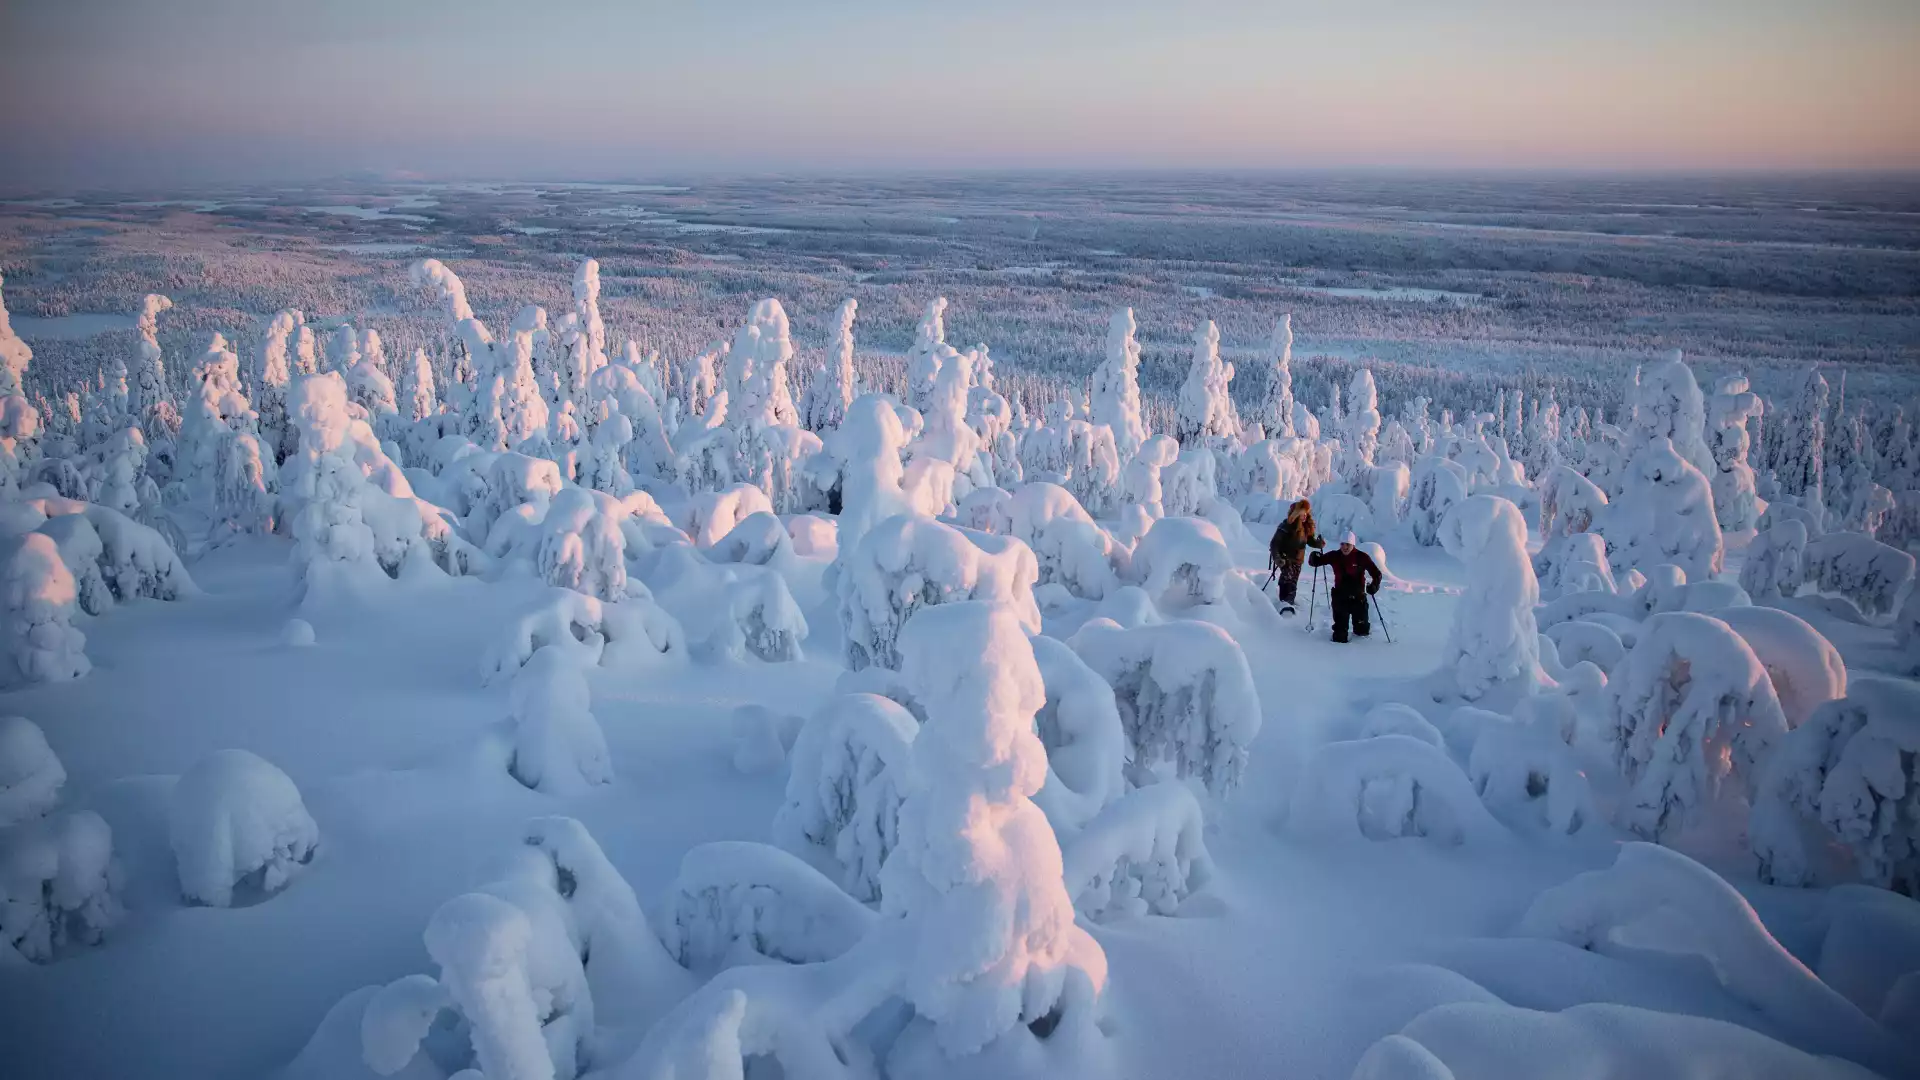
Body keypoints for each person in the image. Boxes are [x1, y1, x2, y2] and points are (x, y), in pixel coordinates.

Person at [1308, 532, 1383, 643]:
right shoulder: (1334, 556)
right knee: (1339, 636)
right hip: (1340, 598)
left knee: (1362, 633)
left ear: (1353, 544)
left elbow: (1376, 574)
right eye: (1342, 544)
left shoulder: (1362, 557)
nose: (1345, 547)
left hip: (1358, 598)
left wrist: (1374, 586)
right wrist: (1314, 558)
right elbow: (1317, 562)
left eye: (1348, 544)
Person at [1267, 499, 1323, 616]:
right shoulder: (1286, 526)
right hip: (1285, 558)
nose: (1304, 516)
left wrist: (1318, 543)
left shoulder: (1306, 527)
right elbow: (1275, 544)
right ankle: (1285, 603)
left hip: (1298, 560)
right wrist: (1277, 558)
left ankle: (1288, 603)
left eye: (1306, 514)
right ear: (1296, 514)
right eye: (1302, 514)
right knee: (1287, 579)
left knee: (1293, 581)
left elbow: (1310, 541)